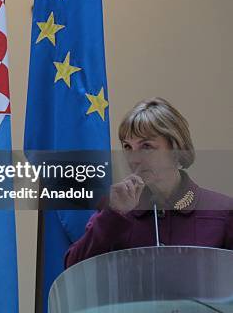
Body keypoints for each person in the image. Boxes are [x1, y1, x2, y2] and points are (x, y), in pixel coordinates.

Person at [65, 97, 233, 268]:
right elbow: (74, 268)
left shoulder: (223, 212)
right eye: (128, 147)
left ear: (176, 149)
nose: (134, 159)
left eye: (146, 146)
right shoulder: (116, 210)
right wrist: (113, 215)